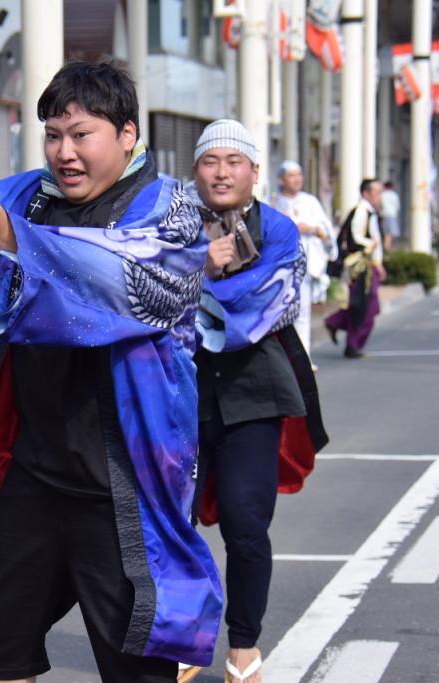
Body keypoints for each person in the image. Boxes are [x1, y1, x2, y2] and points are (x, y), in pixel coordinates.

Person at [0, 60, 222, 682]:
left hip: (124, 489)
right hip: (36, 473)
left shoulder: (173, 210)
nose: (64, 152)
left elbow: (120, 278)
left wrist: (13, 238)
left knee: (138, 673)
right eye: (53, 135)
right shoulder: (35, 196)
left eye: (81, 135)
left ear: (127, 135)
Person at [185, 120, 327, 683]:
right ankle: (182, 637)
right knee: (170, 523)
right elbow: (133, 288)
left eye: (233, 162)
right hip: (177, 395)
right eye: (210, 161)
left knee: (245, 525)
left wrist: (187, 280)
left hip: (254, 396)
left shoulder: (281, 230)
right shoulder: (168, 224)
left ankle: (244, 645)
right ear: (195, 169)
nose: (221, 173)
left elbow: (263, 303)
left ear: (254, 172)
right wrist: (199, 263)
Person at [274, 160, 336, 369]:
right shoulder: (273, 202)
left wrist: (312, 229)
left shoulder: (310, 202)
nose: (297, 179)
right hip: (279, 266)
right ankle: (283, 361)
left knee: (302, 312)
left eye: (299, 175)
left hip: (304, 266)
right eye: (291, 175)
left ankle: (303, 359)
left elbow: (326, 231)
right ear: (281, 179)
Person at [325, 178, 386, 359]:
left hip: (368, 266)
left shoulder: (370, 212)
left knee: (365, 306)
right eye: (377, 192)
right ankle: (352, 343)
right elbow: (355, 238)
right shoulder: (361, 211)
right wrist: (371, 244)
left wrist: (378, 264)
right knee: (364, 306)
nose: (380, 197)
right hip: (358, 267)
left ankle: (336, 324)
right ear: (366, 193)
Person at [380, 180, 401, 251]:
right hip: (392, 215)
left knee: (386, 233)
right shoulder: (394, 195)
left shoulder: (382, 195)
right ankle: (387, 248)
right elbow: (397, 207)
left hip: (384, 215)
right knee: (389, 234)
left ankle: (387, 248)